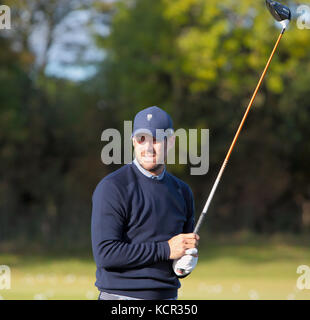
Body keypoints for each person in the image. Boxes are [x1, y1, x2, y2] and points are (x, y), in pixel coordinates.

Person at [91, 106, 199, 300]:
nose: (148, 147)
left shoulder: (182, 192)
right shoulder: (113, 187)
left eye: (156, 139)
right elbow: (106, 254)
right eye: (142, 139)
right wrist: (166, 249)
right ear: (133, 141)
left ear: (171, 142)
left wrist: (184, 263)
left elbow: (177, 257)